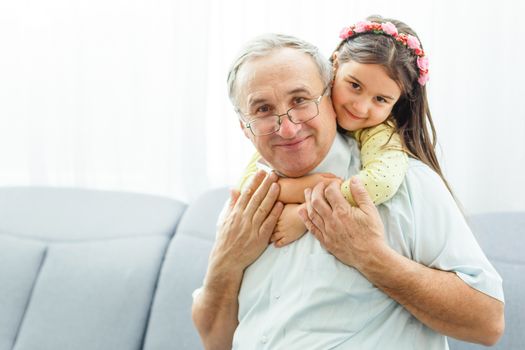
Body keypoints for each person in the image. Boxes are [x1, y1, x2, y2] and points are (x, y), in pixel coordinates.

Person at [192, 17, 504, 350]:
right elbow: (216, 341)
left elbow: (488, 324)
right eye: (263, 109)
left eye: (300, 100)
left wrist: (371, 257)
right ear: (245, 128)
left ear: (328, 95)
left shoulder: (408, 185)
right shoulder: (243, 208)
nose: (288, 127)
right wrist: (224, 261)